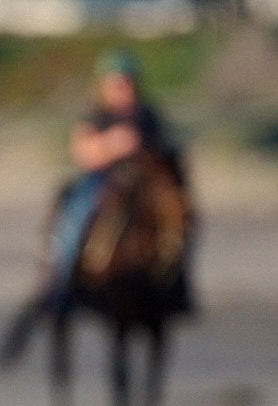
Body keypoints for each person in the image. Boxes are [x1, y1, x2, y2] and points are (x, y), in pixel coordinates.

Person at [40, 50, 180, 311]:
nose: (124, 88)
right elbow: (82, 153)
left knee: (177, 221)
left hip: (143, 183)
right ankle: (61, 280)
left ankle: (175, 287)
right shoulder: (97, 116)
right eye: (117, 82)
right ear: (104, 85)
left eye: (128, 81)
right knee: (76, 215)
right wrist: (112, 145)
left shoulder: (147, 116)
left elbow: (165, 152)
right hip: (102, 181)